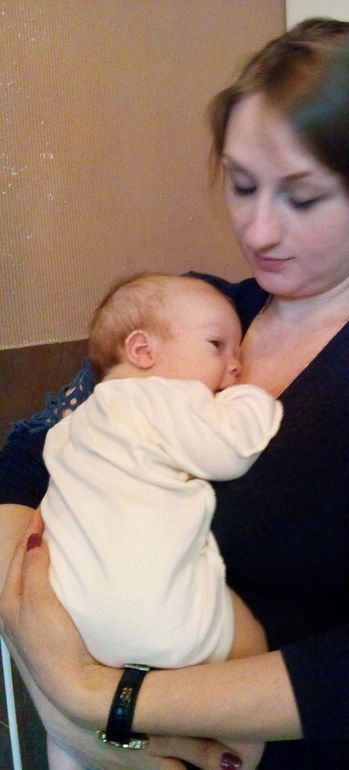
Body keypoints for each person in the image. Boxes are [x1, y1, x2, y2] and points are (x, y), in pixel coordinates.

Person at [0, 17, 349, 770]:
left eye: (303, 197)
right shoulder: (194, 317)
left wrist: (99, 697)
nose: (258, 229)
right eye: (241, 185)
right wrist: (33, 644)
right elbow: (23, 465)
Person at [38, 272, 282, 770]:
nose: (234, 364)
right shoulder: (163, 397)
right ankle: (237, 757)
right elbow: (229, 450)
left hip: (76, 624)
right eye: (216, 345)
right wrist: (250, 397)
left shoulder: (69, 428)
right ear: (143, 351)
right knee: (250, 641)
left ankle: (68, 757)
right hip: (160, 616)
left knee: (73, 739)